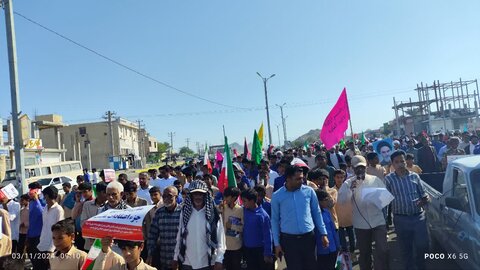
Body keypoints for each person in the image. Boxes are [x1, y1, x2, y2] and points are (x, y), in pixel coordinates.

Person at [271, 165, 329, 270]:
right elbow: (274, 221)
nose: (301, 181)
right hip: (289, 241)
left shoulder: (309, 191)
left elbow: (317, 213)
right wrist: (277, 244)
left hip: (308, 239)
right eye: (298, 179)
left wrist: (323, 233)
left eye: (302, 178)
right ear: (288, 179)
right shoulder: (277, 196)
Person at [338, 155, 388, 270]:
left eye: (362, 167)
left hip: (378, 221)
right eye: (357, 168)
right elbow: (341, 201)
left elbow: (385, 200)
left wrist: (376, 198)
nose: (360, 170)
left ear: (366, 167)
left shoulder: (375, 180)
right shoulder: (348, 183)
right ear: (353, 169)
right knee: (365, 253)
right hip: (361, 224)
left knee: (383, 250)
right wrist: (350, 190)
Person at [385, 150, 430, 270]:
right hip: (401, 219)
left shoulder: (414, 176)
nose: (400, 164)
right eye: (397, 162)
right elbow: (385, 201)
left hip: (418, 217)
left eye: (402, 161)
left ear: (406, 162)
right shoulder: (389, 179)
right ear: (392, 164)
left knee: (422, 245)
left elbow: (424, 194)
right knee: (406, 247)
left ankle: (421, 265)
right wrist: (385, 220)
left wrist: (424, 200)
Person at [173, 180, 226, 270]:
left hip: (208, 262)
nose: (198, 197)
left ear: (205, 195)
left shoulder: (214, 214)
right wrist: (175, 257)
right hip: (187, 261)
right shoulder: (184, 212)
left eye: (200, 194)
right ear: (191, 196)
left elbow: (221, 238)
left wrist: (219, 259)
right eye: (195, 194)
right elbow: (179, 236)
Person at [147, 186, 181, 269]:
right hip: (164, 258)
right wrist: (150, 254)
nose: (166, 198)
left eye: (169, 196)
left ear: (176, 197)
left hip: (181, 259)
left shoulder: (183, 212)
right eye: (164, 196)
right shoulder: (159, 212)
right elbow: (152, 235)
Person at [241, 188, 273, 270]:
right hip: (247, 249)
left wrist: (267, 253)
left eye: (244, 201)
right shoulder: (243, 211)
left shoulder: (263, 216)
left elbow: (268, 235)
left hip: (260, 251)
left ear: (252, 201)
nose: (242, 203)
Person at [37, 185, 65, 270]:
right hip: (42, 244)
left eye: (43, 195)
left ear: (47, 196)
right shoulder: (45, 208)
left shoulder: (58, 209)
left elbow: (59, 231)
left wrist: (51, 249)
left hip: (52, 246)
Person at [333, 170, 356, 258]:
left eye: (341, 177)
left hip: (350, 218)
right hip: (339, 220)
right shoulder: (332, 190)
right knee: (342, 242)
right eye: (337, 177)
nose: (339, 179)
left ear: (344, 178)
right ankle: (346, 258)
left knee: (352, 240)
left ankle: (353, 253)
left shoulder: (349, 189)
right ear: (334, 178)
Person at [315, 190, 341, 270]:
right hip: (321, 250)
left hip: (332, 248)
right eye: (325, 200)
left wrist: (338, 245)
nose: (327, 202)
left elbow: (333, 230)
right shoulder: (312, 216)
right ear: (318, 201)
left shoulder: (327, 212)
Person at [220, 187, 243, 270]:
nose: (225, 198)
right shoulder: (223, 208)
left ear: (234, 198)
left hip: (236, 247)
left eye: (227, 196)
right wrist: (219, 210)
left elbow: (242, 228)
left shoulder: (240, 210)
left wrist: (232, 227)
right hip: (224, 246)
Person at [80, 181, 108, 251]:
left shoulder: (110, 206)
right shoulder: (87, 205)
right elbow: (83, 223)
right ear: (98, 192)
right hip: (90, 245)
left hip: (106, 246)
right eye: (105, 193)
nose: (108, 196)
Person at [26, 182, 44, 269]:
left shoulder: (42, 200)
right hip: (31, 234)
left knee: (39, 259)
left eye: (32, 189)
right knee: (32, 257)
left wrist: (37, 200)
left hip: (39, 235)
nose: (30, 191)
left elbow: (42, 213)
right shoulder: (31, 202)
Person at [0, 187, 20, 252]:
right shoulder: (0, 206)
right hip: (3, 237)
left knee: (11, 258)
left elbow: (10, 218)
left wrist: (4, 204)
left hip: (12, 237)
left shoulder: (16, 204)